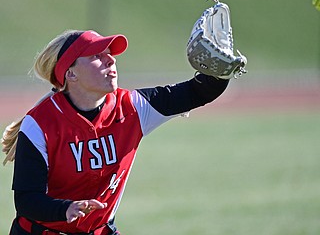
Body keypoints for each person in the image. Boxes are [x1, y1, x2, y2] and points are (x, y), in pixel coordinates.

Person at [2, 29, 229, 235]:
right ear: (71, 74)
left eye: (109, 53)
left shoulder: (132, 107)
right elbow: (26, 200)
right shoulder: (40, 123)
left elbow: (197, 92)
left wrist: (221, 72)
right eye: (96, 56)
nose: (110, 59)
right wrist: (66, 209)